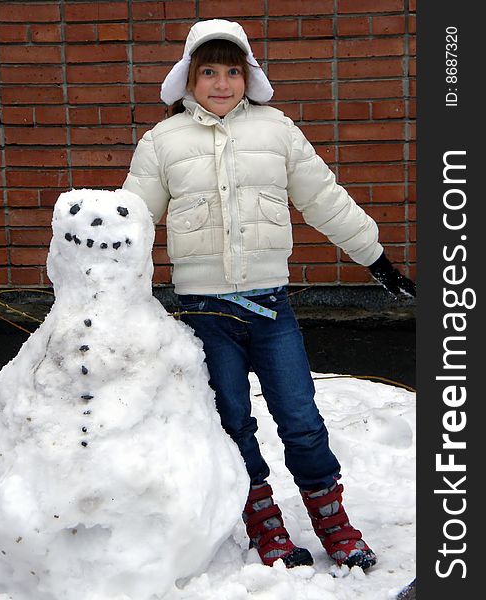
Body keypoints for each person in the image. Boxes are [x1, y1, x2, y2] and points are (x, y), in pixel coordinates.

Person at [123, 19, 415, 571]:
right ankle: (265, 525)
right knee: (233, 421)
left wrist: (376, 259)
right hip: (204, 313)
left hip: (271, 310)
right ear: (188, 77)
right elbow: (132, 221)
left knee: (301, 419)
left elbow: (326, 199)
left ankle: (335, 523)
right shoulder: (162, 142)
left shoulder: (276, 130)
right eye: (208, 71)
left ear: (248, 75)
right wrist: (102, 280)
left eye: (232, 70)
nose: (221, 83)